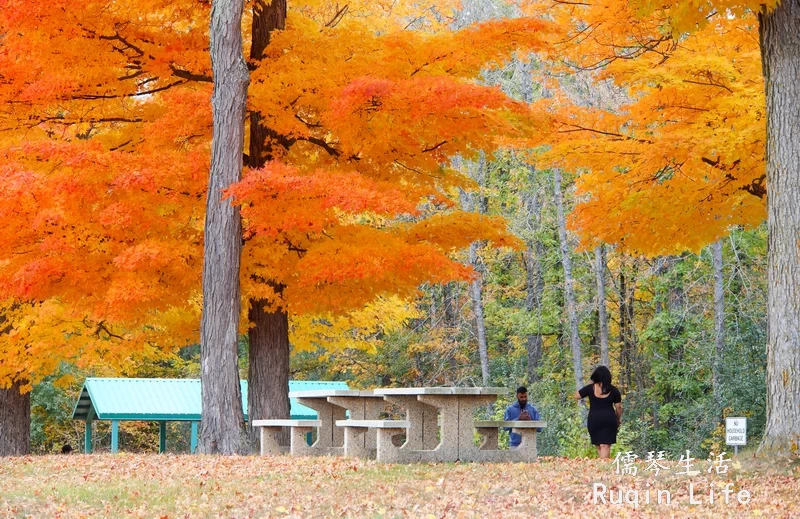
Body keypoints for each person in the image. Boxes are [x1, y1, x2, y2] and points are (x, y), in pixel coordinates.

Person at [575, 365, 622, 459]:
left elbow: (577, 395)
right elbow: (619, 407)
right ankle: (604, 468)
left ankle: (602, 468)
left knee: (599, 445)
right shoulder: (614, 390)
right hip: (609, 419)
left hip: (594, 419)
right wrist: (618, 419)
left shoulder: (590, 388)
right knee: (605, 445)